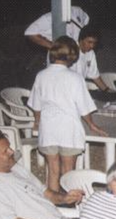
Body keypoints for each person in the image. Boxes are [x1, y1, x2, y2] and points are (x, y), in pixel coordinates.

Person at [28, 36, 107, 193]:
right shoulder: (75, 78)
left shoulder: (41, 75)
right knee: (68, 172)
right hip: (68, 130)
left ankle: (54, 204)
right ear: (72, 56)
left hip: (48, 129)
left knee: (53, 170)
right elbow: (84, 107)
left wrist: (37, 121)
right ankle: (70, 202)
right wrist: (92, 125)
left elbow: (36, 105)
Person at [0, 130, 80, 219]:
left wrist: (64, 198)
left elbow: (47, 193)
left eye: (9, 147)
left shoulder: (16, 169)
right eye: (5, 151)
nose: (12, 151)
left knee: (91, 210)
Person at [24, 6, 90, 51]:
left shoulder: (79, 12)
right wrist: (54, 47)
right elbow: (30, 32)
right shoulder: (49, 18)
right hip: (60, 58)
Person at [70, 25, 110, 91]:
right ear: (81, 40)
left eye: (94, 43)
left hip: (80, 88)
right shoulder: (71, 50)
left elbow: (95, 76)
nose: (92, 46)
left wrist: (107, 90)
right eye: (89, 42)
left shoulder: (91, 53)